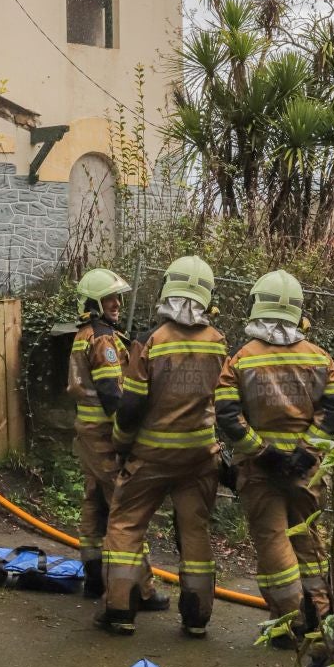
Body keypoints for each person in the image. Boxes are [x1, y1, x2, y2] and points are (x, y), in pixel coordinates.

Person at [98, 256, 226, 637]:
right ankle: (197, 618)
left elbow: (132, 404)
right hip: (200, 457)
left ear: (167, 291)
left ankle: (120, 611)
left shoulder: (150, 342)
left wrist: (121, 444)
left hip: (151, 457)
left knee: (125, 524)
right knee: (195, 531)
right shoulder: (219, 343)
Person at [215, 270, 334, 635]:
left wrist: (262, 452)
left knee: (274, 543)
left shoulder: (241, 359)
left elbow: (227, 413)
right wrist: (306, 451)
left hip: (261, 471)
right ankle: (321, 617)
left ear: (258, 305)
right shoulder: (321, 358)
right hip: (308, 472)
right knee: (307, 539)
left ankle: (292, 624)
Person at [67, 267, 166, 612]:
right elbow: (112, 392)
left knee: (94, 501)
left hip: (88, 433)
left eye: (117, 298)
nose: (116, 304)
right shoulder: (104, 339)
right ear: (94, 302)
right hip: (104, 436)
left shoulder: (86, 333)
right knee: (125, 506)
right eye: (109, 299)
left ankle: (94, 575)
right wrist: (128, 434)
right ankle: (141, 589)